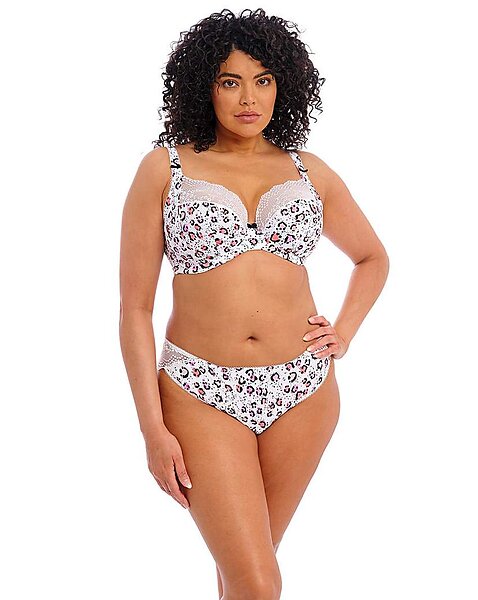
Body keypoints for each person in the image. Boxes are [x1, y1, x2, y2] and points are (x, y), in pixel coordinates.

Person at [119, 7, 389, 599]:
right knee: (259, 583)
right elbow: (134, 308)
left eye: (263, 80)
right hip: (199, 389)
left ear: (283, 85)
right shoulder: (165, 168)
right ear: (204, 86)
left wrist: (343, 332)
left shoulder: (310, 172)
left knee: (243, 578)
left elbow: (373, 258)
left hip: (303, 390)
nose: (249, 98)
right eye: (230, 81)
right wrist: (151, 428)